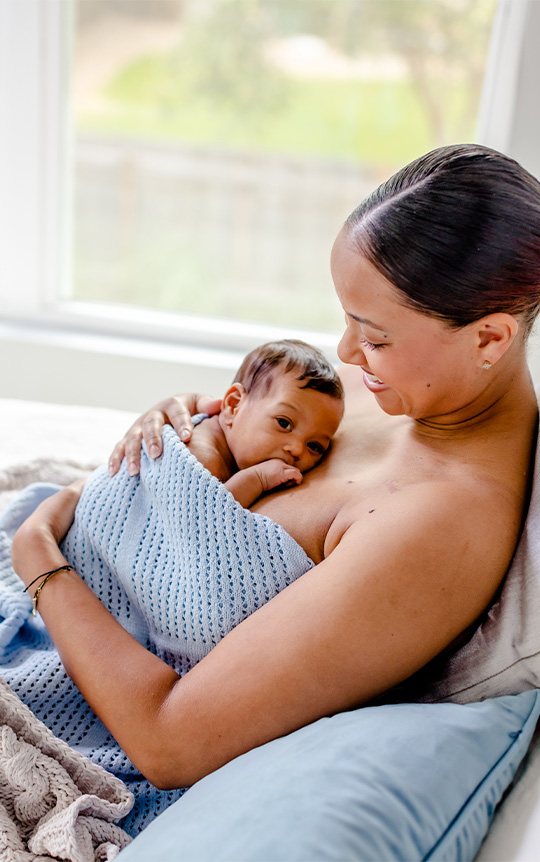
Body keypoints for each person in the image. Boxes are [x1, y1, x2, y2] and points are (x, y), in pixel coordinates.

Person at [9, 143, 540, 807]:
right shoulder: (405, 386)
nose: (345, 352)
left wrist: (38, 559)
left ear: (489, 338)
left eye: (373, 335)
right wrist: (180, 419)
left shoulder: (440, 523)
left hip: (51, 616)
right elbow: (233, 422)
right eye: (346, 321)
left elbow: (169, 742)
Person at [178, 338, 344, 508]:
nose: (297, 450)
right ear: (234, 405)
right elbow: (200, 521)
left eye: (314, 446)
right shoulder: (200, 456)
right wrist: (257, 479)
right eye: (284, 423)